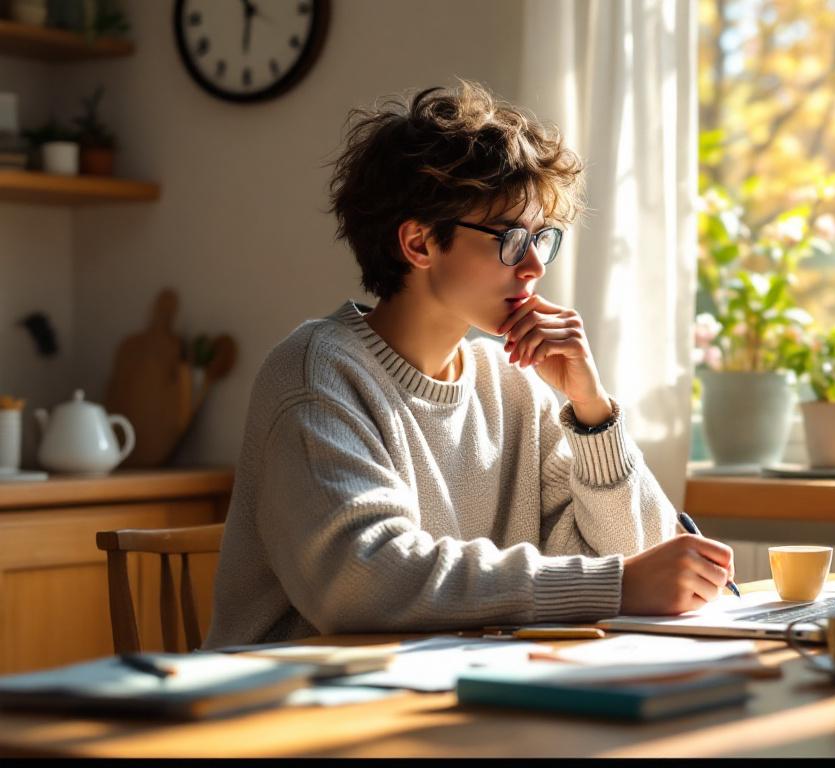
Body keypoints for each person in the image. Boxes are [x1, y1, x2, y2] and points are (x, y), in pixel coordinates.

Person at [204, 81, 734, 648]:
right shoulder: (316, 375)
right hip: (291, 711)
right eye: (509, 238)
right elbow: (363, 582)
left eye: (543, 238)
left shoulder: (513, 385)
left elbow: (645, 562)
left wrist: (592, 413)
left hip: (447, 694)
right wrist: (615, 586)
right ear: (419, 243)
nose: (533, 265)